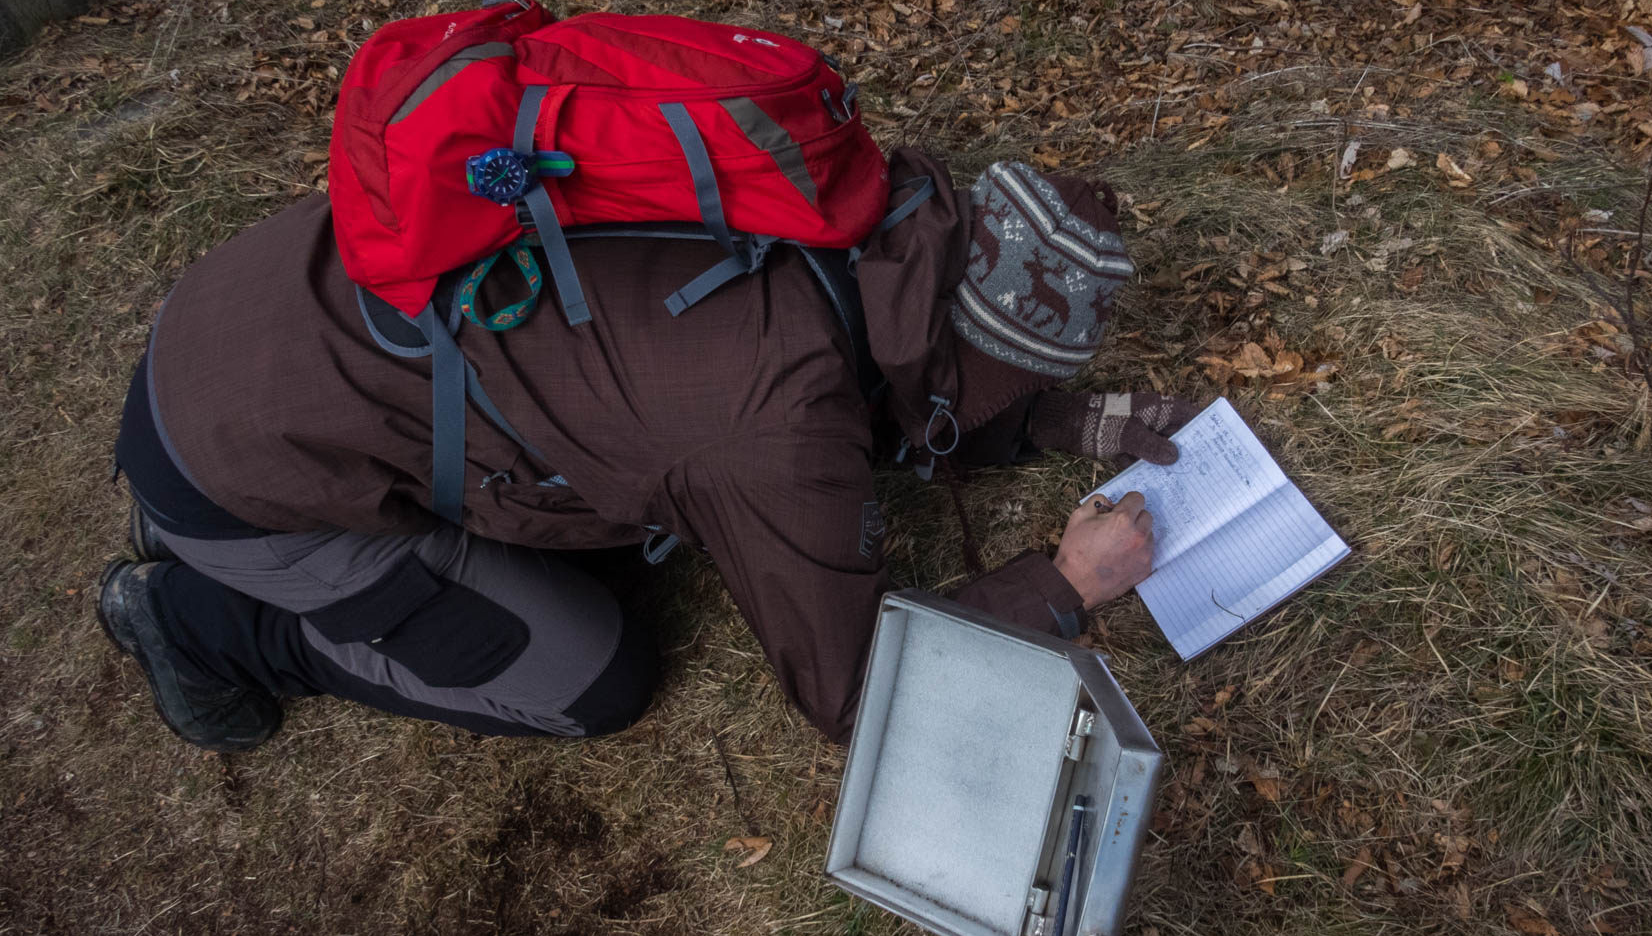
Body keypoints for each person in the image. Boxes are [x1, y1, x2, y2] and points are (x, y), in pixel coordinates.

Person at [97, 148, 1199, 750]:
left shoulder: (841, 189)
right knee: (595, 671)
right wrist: (1062, 586)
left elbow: (893, 365)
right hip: (240, 461)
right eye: (1011, 380)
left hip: (255, 316)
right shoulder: (773, 427)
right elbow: (860, 692)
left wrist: (1052, 424)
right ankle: (204, 618)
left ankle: (220, 520)